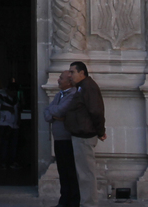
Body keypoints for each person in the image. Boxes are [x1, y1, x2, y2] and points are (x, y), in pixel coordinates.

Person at [64, 62, 106, 207]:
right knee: (83, 173)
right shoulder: (82, 87)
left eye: (72, 72)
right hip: (80, 135)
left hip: (84, 136)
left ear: (82, 73)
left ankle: (89, 204)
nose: (70, 75)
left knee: (86, 173)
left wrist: (101, 131)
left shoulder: (88, 87)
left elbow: (96, 111)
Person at [43, 71, 80, 207]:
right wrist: (54, 114)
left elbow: (59, 111)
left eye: (61, 78)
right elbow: (46, 112)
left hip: (67, 138)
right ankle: (64, 200)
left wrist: (54, 113)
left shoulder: (73, 94)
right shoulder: (59, 95)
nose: (58, 80)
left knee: (70, 171)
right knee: (62, 171)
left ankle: (73, 200)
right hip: (58, 138)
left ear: (69, 82)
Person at [0, 81, 19, 170]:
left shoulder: (15, 98)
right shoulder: (1, 96)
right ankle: (3, 162)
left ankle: (12, 161)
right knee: (4, 144)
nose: (14, 93)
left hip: (14, 124)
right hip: (3, 123)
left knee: (13, 145)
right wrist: (9, 108)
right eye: (13, 91)